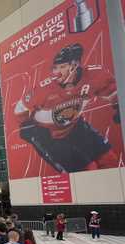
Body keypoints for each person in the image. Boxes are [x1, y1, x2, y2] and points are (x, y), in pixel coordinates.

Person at [14, 43, 119, 173]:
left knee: (109, 160)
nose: (56, 72)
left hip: (75, 126)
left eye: (62, 67)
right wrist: (26, 125)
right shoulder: (43, 89)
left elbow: (111, 90)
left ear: (74, 65)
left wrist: (118, 105)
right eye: (55, 68)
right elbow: (20, 108)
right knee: (86, 170)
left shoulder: (94, 75)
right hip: (49, 135)